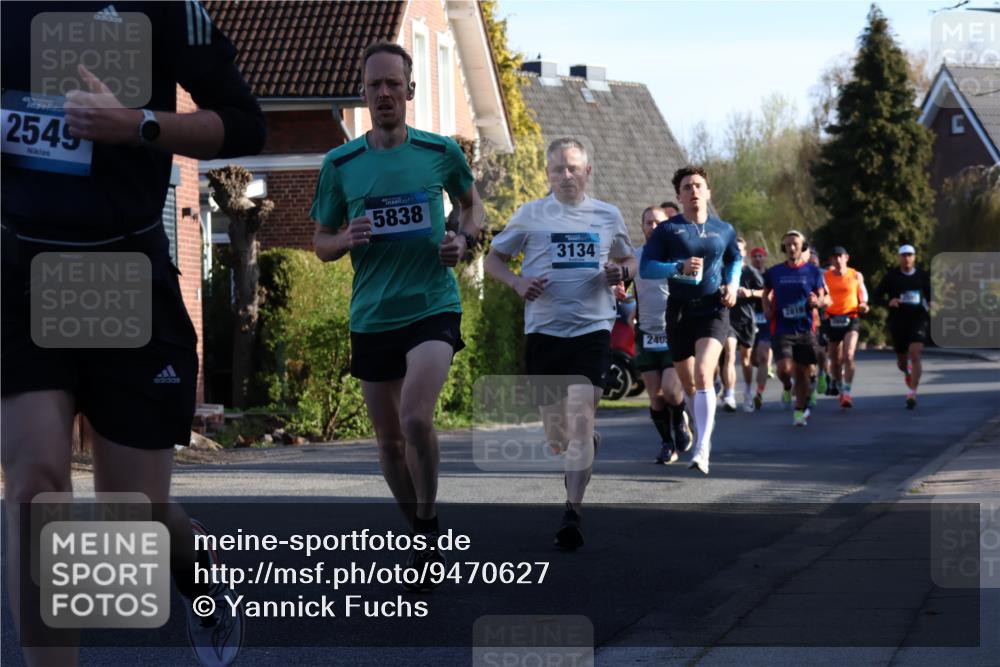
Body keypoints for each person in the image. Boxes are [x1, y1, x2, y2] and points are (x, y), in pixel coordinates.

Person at [1, 2, 266, 665]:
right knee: (35, 492)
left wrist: (139, 124)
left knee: (131, 515)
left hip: (124, 274)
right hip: (21, 272)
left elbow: (243, 124)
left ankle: (196, 561)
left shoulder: (166, 9)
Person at [311, 41, 483, 585]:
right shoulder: (340, 164)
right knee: (387, 443)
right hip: (372, 314)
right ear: (363, 95)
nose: (384, 93)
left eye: (393, 84)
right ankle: (419, 535)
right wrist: (344, 236)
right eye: (373, 85)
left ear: (410, 91)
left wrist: (463, 238)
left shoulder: (440, 153)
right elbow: (319, 242)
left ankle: (428, 518)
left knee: (415, 418)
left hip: (432, 304)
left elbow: (472, 207)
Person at [485, 137, 636, 550]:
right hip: (544, 333)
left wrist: (618, 274)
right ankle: (582, 444)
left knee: (580, 414)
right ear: (548, 174)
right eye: (557, 169)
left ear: (588, 171)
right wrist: (517, 283)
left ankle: (572, 512)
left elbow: (628, 258)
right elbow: (492, 260)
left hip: (592, 330)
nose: (566, 175)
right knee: (558, 436)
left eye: (573, 168)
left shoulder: (608, 214)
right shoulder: (531, 215)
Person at [640, 166, 741, 475]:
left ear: (707, 192)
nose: (694, 191)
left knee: (703, 371)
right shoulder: (667, 230)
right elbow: (646, 268)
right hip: (680, 310)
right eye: (687, 187)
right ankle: (696, 427)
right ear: (679, 196)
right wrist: (677, 267)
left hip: (713, 308)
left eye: (699, 185)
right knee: (688, 384)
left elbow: (734, 258)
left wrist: (733, 285)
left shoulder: (723, 229)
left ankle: (702, 448)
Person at [633, 206, 692, 464]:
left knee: (670, 390)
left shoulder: (679, 257)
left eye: (658, 223)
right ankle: (667, 444)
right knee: (655, 397)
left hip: (673, 330)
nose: (653, 227)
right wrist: (617, 291)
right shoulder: (634, 258)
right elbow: (621, 284)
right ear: (643, 227)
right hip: (645, 333)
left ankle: (680, 417)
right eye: (648, 223)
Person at [762, 232, 829, 426]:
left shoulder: (813, 272)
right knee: (784, 369)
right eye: (788, 245)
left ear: (803, 247)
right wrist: (767, 308)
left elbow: (823, 297)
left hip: (805, 329)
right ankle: (785, 384)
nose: (792, 248)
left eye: (796, 244)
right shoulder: (774, 272)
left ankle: (799, 411)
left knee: (802, 372)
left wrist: (818, 301)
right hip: (782, 327)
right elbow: (766, 293)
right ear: (784, 248)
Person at [875, 244, 931, 409]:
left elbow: (930, 293)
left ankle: (912, 393)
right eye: (903, 255)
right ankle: (907, 372)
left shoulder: (921, 275)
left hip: (918, 320)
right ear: (899, 257)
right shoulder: (892, 276)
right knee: (902, 361)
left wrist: (933, 303)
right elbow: (877, 295)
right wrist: (889, 302)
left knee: (915, 354)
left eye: (910, 255)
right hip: (898, 321)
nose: (906, 258)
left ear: (914, 257)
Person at [720, 238, 764, 413]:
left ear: (744, 252)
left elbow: (766, 292)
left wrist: (750, 292)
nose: (736, 252)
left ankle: (747, 391)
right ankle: (729, 394)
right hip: (728, 318)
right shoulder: (723, 270)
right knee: (729, 355)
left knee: (746, 360)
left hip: (746, 320)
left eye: (739, 249)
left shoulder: (750, 272)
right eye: (733, 249)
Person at [822, 246, 869, 408]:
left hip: (851, 317)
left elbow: (862, 293)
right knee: (835, 360)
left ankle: (847, 392)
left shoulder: (855, 275)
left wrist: (863, 304)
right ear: (831, 260)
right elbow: (820, 295)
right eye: (834, 257)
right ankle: (838, 384)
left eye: (840, 256)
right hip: (832, 319)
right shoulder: (825, 276)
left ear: (846, 257)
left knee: (848, 355)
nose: (837, 260)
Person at [748, 247, 773, 410]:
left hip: (766, 319)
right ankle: (752, 389)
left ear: (764, 258)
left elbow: (771, 295)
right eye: (755, 256)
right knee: (752, 361)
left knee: (763, 356)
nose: (758, 259)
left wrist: (751, 293)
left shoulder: (770, 275)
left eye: (760, 256)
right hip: (748, 319)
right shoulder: (746, 274)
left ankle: (759, 393)